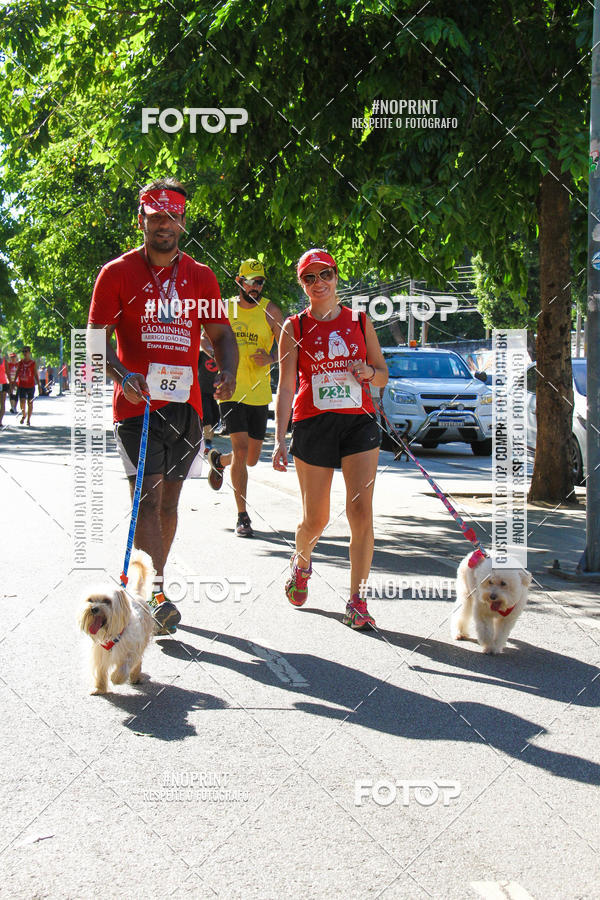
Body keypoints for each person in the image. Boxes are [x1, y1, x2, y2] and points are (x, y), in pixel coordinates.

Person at [88, 177, 238, 634]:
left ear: (183, 222)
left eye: (172, 217)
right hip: (136, 406)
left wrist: (228, 371)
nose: (165, 226)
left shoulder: (200, 276)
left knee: (169, 505)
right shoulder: (116, 274)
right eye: (156, 218)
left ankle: (152, 584)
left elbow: (222, 335)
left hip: (185, 406)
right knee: (148, 498)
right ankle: (154, 595)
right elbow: (95, 343)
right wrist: (122, 376)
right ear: (142, 221)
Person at [273, 249, 388, 630]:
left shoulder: (359, 320)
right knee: (316, 518)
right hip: (312, 424)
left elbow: (384, 375)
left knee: (361, 513)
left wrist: (368, 372)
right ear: (302, 284)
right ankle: (302, 562)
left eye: (326, 274)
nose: (319, 283)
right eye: (310, 277)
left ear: (337, 277)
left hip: (358, 424)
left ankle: (357, 600)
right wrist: (279, 438)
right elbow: (287, 384)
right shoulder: (295, 326)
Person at [207, 259, 284, 537]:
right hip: (231, 389)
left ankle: (219, 461)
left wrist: (271, 357)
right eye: (250, 281)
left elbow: (291, 345)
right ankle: (243, 516)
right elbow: (204, 337)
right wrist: (214, 355)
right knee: (241, 450)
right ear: (239, 281)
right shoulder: (224, 308)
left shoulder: (271, 311)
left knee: (249, 459)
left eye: (259, 281)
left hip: (259, 393)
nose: (255, 286)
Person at [198, 341, 221, 454]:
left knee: (216, 418)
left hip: (214, 393)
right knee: (207, 416)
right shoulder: (201, 355)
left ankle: (206, 440)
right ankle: (207, 442)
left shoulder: (221, 355)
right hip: (202, 391)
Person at [17, 347, 41, 426]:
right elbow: (17, 372)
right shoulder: (20, 362)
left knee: (30, 403)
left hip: (30, 385)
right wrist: (13, 382)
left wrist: (39, 385)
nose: (24, 353)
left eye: (26, 351)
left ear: (29, 352)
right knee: (22, 402)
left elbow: (35, 374)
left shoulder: (33, 363)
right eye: (23, 351)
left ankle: (28, 419)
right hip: (22, 385)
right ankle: (24, 414)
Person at [0, 355, 8, 426]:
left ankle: (0, 421)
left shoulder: (4, 361)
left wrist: (12, 383)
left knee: (2, 403)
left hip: (3, 383)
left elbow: (7, 372)